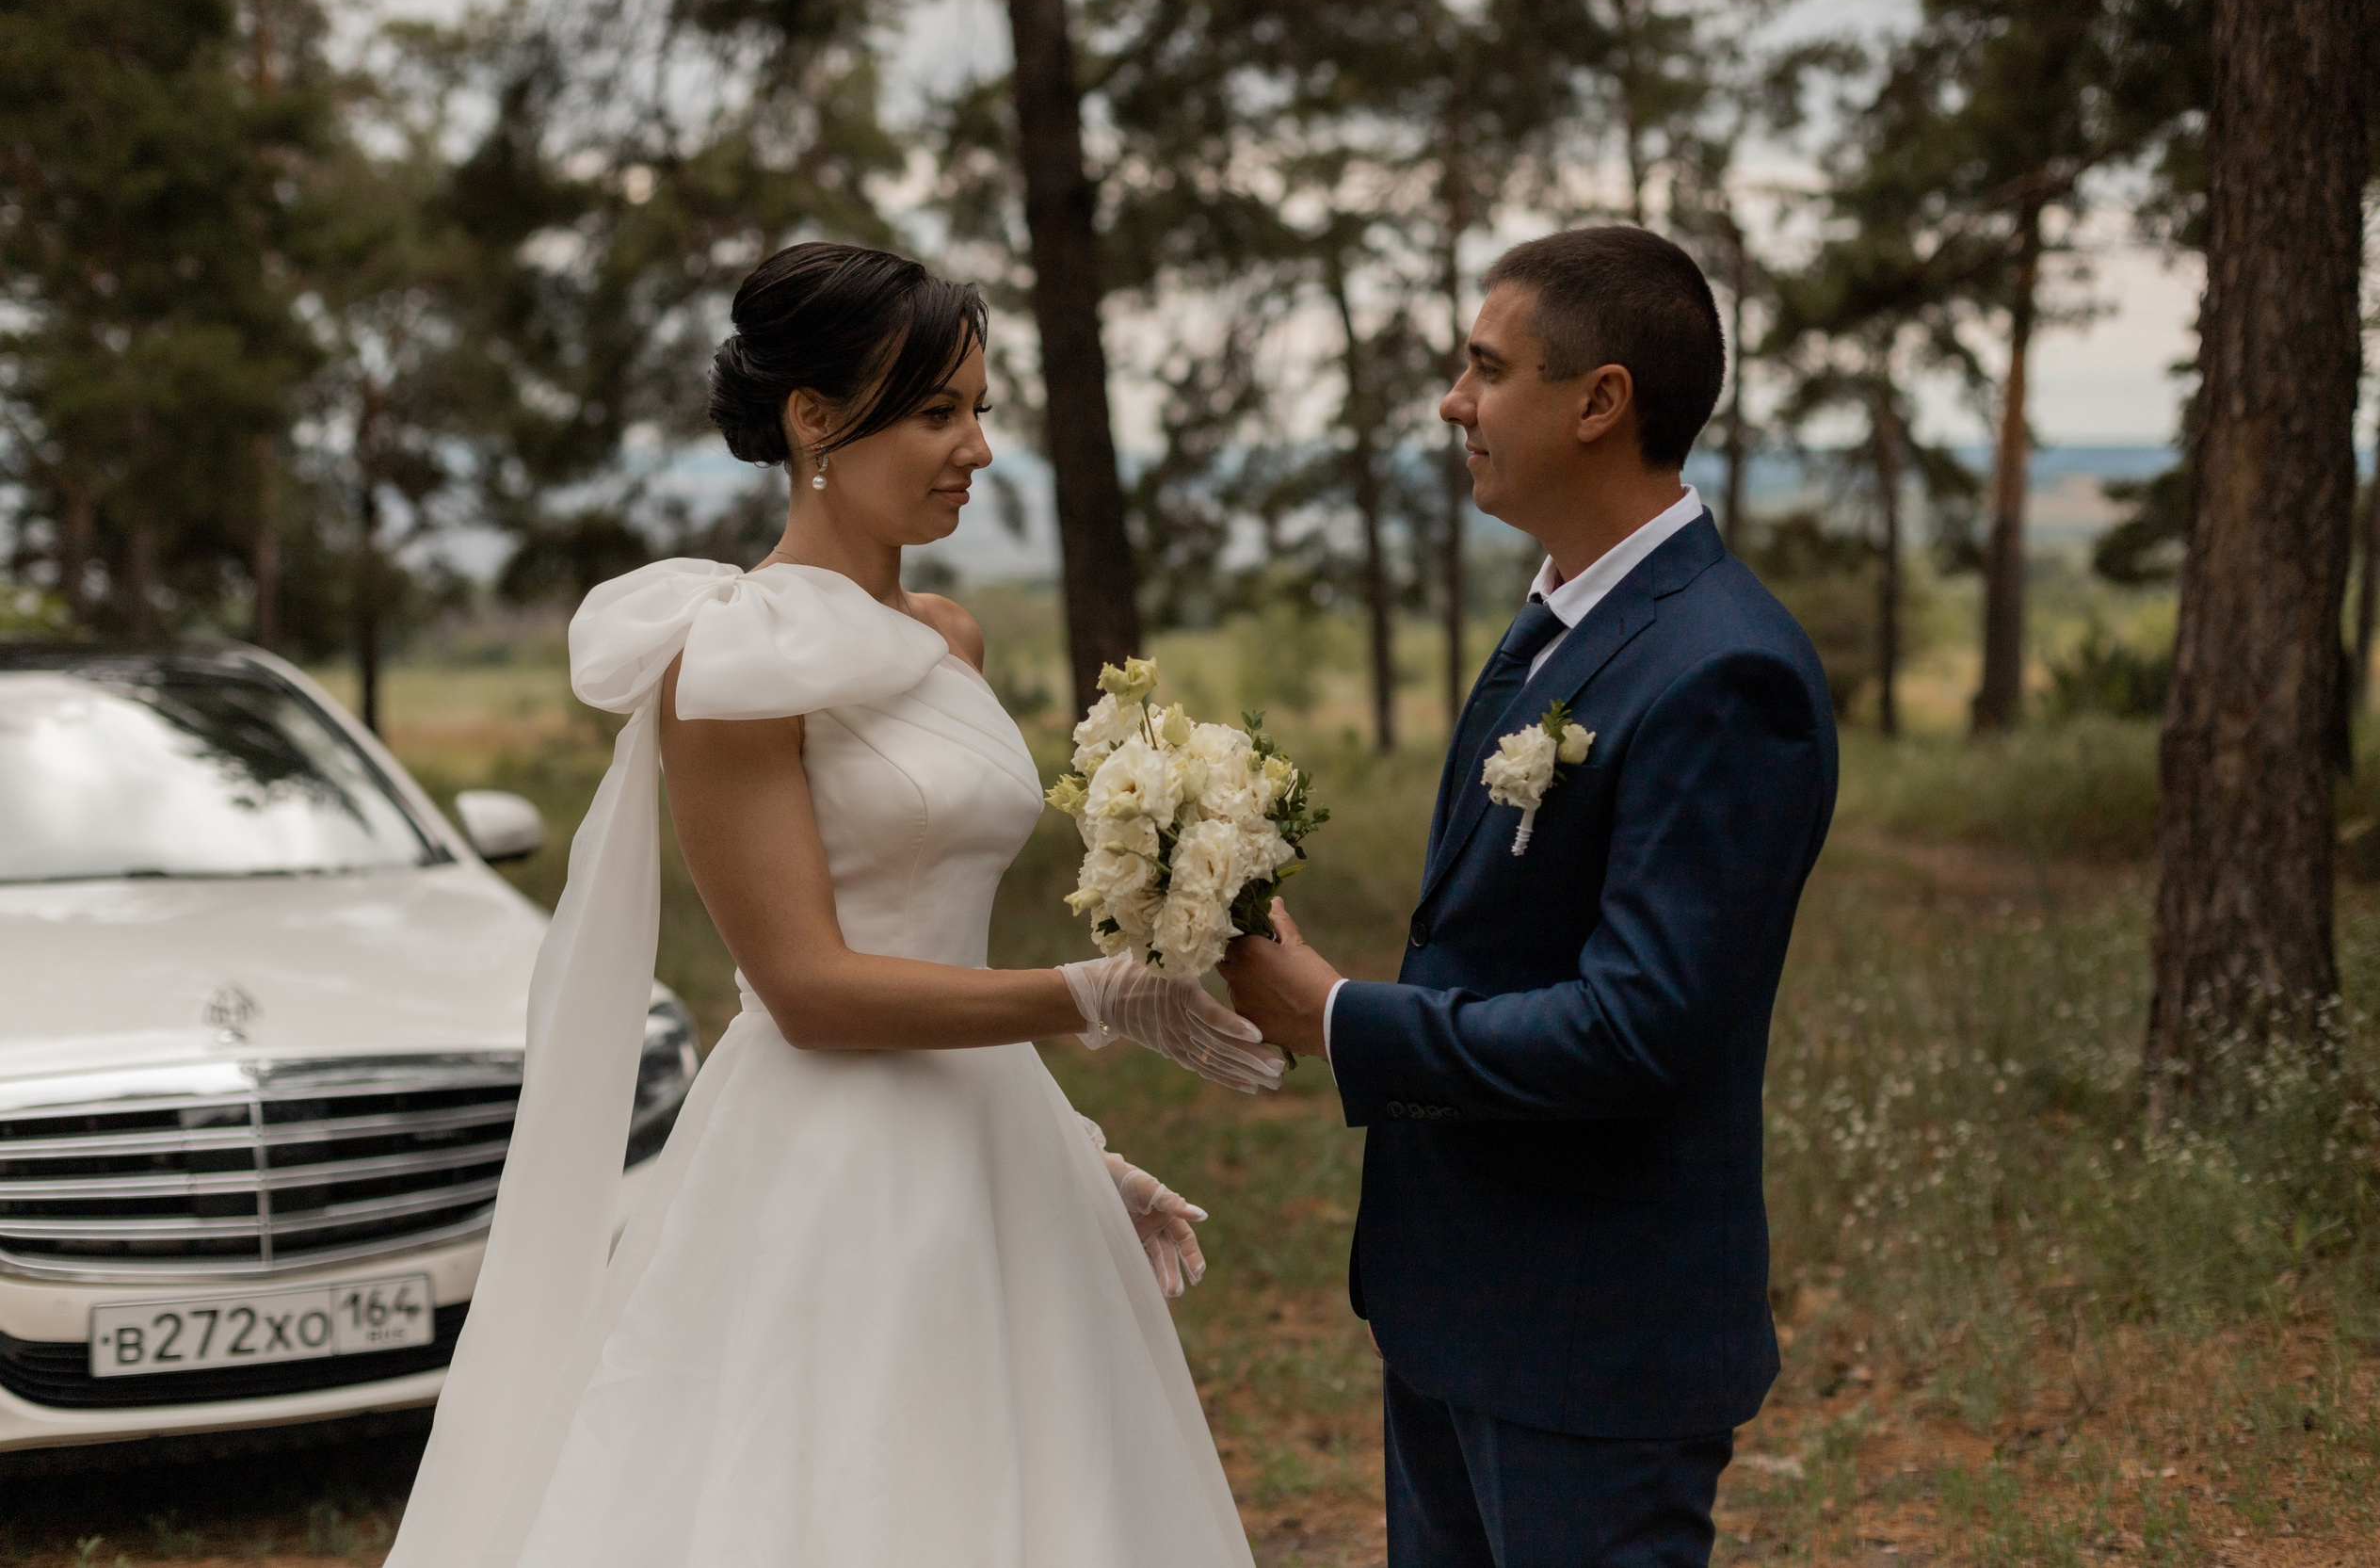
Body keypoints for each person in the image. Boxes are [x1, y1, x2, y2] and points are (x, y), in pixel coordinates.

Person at [386, 243, 1274, 1568]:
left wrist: (1067, 1147)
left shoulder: (951, 635)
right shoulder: (727, 661)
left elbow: (930, 925)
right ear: (814, 419)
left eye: (980, 408)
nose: (976, 448)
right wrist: (1092, 996)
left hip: (995, 1141)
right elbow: (806, 989)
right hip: (826, 1168)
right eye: (937, 413)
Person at [1220, 225, 1840, 1568]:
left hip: (1593, 1339)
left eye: (1488, 370)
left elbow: (1638, 1029)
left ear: (1601, 400)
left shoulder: (1727, 673)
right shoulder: (1564, 620)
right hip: (1458, 1308)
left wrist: (1338, 1018)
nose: (1455, 404)